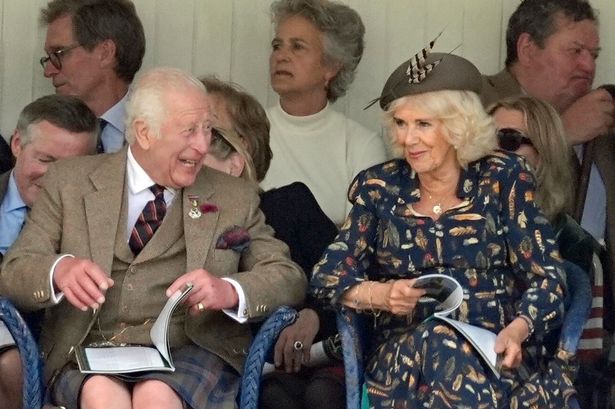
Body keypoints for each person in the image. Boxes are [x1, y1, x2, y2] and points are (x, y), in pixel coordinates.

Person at [0, 67, 306, 409]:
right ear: (144, 133)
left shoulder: (233, 196)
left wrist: (229, 290)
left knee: (155, 394)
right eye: (189, 131)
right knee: (100, 393)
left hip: (192, 350)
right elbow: (15, 270)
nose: (203, 146)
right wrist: (59, 271)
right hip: (87, 352)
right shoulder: (69, 182)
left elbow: (286, 277)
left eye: (208, 129)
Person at [311, 44, 570, 407]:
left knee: (447, 353)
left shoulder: (503, 179)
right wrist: (382, 295)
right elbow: (327, 277)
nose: (407, 139)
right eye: (400, 123)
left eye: (423, 124)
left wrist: (518, 329)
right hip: (404, 360)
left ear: (457, 127)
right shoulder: (380, 188)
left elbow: (549, 277)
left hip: (496, 354)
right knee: (435, 339)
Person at [201, 77, 343, 409]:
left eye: (208, 129)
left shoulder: (289, 205)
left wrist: (315, 317)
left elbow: (344, 284)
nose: (192, 141)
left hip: (315, 363)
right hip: (231, 368)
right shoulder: (180, 216)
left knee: (320, 394)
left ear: (241, 151)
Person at [480, 0, 615, 340]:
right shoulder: (474, 99)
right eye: (575, 50)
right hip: (501, 311)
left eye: (594, 55)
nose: (588, 65)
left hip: (595, 311)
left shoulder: (603, 121)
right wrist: (562, 133)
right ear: (527, 48)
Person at [488, 95, 604, 406]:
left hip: (525, 378)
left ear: (544, 154)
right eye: (485, 136)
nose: (491, 152)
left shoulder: (573, 244)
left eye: (508, 141)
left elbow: (583, 361)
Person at [0, 94, 98, 409]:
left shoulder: (99, 217)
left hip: (61, 347)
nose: (54, 179)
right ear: (17, 144)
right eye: (46, 161)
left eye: (71, 167)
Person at [260, 0, 387, 226]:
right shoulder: (248, 129)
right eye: (277, 45)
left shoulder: (361, 145)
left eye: (297, 46)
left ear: (331, 67)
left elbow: (359, 240)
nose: (281, 56)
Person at [40, 0, 146, 153]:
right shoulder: (40, 134)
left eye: (59, 53)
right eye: (48, 58)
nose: (48, 71)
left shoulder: (161, 132)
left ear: (105, 53)